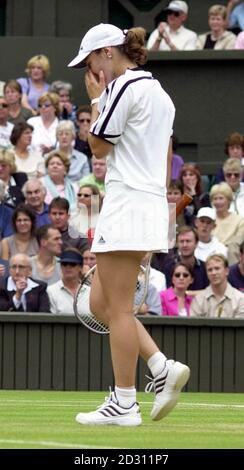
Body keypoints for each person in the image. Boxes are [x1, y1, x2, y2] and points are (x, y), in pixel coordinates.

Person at [68, 22, 190, 426]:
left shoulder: (121, 87)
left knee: (116, 309)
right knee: (102, 303)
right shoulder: (162, 94)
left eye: (89, 62)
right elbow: (161, 152)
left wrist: (96, 100)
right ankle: (160, 367)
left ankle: (124, 402)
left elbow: (100, 146)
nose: (89, 71)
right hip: (148, 203)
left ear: (107, 53)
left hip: (127, 203)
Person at [47, 248, 86, 315]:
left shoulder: (90, 292)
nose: (68, 267)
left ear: (80, 267)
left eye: (72, 264)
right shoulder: (50, 291)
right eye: (64, 264)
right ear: (60, 266)